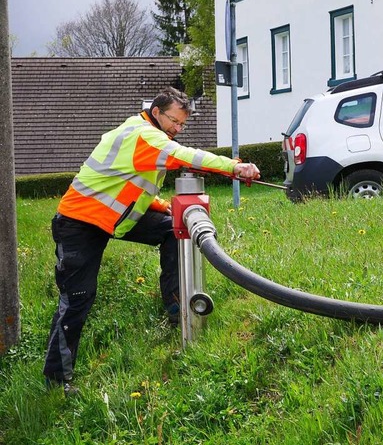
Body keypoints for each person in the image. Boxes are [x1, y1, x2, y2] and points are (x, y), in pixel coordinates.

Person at [43, 87, 260, 394]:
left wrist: (163, 206)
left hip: (113, 218)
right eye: (175, 121)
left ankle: (175, 306)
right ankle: (56, 381)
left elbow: (133, 183)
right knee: (77, 298)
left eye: (183, 124)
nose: (178, 129)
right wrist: (234, 166)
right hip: (80, 224)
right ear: (156, 112)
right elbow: (185, 156)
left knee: (173, 229)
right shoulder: (143, 135)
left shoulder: (148, 135)